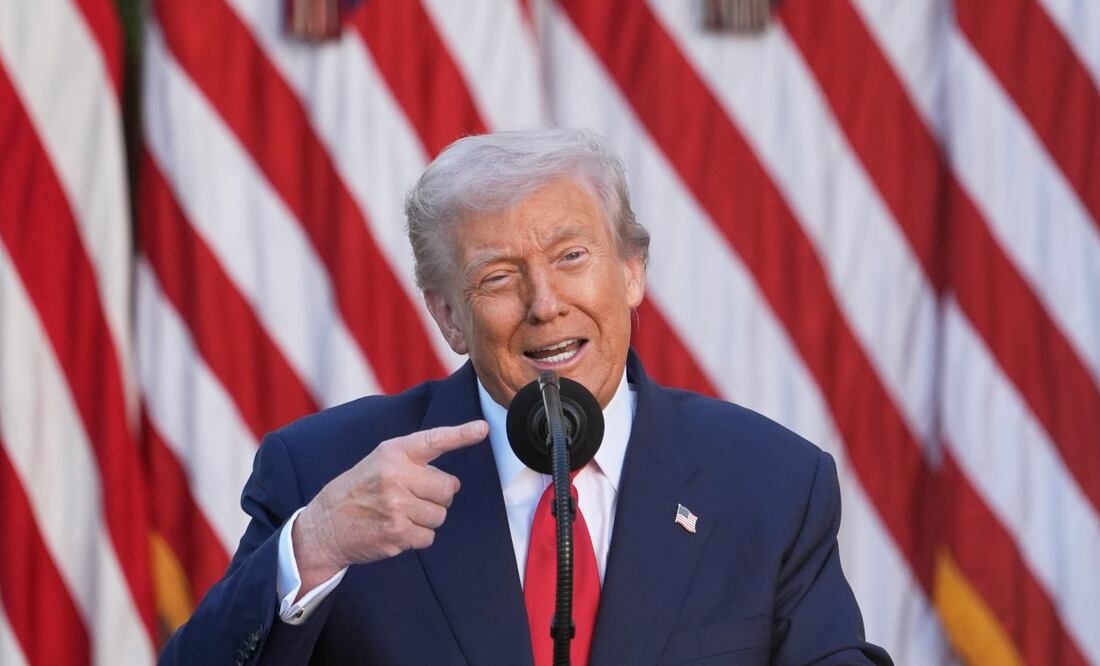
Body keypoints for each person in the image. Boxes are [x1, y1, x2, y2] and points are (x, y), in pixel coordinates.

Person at [160, 128, 891, 665]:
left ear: (632, 273)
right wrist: (314, 546)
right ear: (448, 315)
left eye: (572, 257)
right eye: (498, 278)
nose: (546, 304)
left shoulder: (769, 482)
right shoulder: (326, 473)